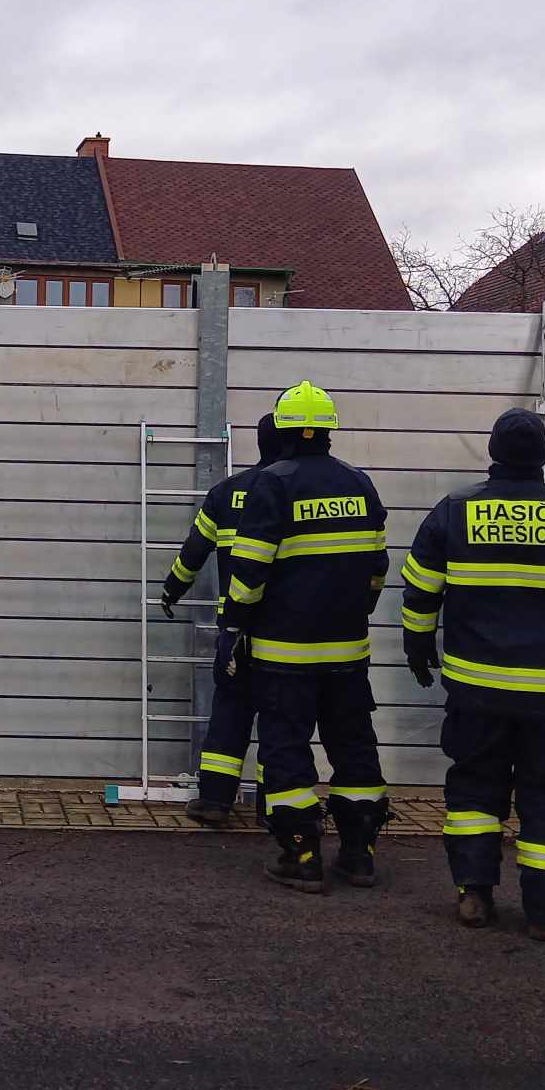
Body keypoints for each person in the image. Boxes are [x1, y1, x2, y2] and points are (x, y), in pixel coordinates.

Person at [400, 408, 545, 940]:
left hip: (476, 689)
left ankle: (474, 893)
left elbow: (419, 592)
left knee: (475, 791)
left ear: (492, 452)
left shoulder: (454, 511)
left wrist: (418, 648)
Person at [221, 383, 392, 893]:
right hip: (348, 651)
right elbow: (377, 569)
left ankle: (302, 855)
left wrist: (235, 623)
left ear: (282, 429)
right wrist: (356, 612)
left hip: (283, 654)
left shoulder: (273, 485)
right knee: (354, 744)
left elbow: (249, 572)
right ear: (328, 430)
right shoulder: (360, 484)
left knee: (287, 748)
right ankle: (359, 854)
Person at [158, 413, 284, 827]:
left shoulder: (226, 493)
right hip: (285, 632)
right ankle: (275, 807)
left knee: (230, 710)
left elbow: (194, 550)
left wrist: (172, 589)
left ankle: (215, 800)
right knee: (280, 719)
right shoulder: (296, 491)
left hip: (235, 630)